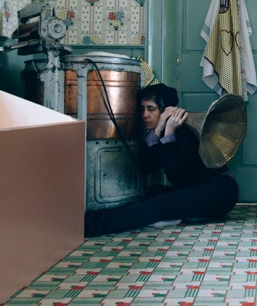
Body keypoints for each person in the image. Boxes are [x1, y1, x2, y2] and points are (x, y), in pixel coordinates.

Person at [83, 83, 239, 237]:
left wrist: (169, 132)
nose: (145, 114)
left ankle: (90, 225)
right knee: (152, 192)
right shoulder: (159, 132)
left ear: (166, 111)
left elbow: (176, 174)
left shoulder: (187, 133)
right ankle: (186, 215)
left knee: (159, 205)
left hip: (220, 191)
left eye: (151, 109)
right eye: (142, 109)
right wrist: (157, 131)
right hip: (198, 189)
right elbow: (146, 166)